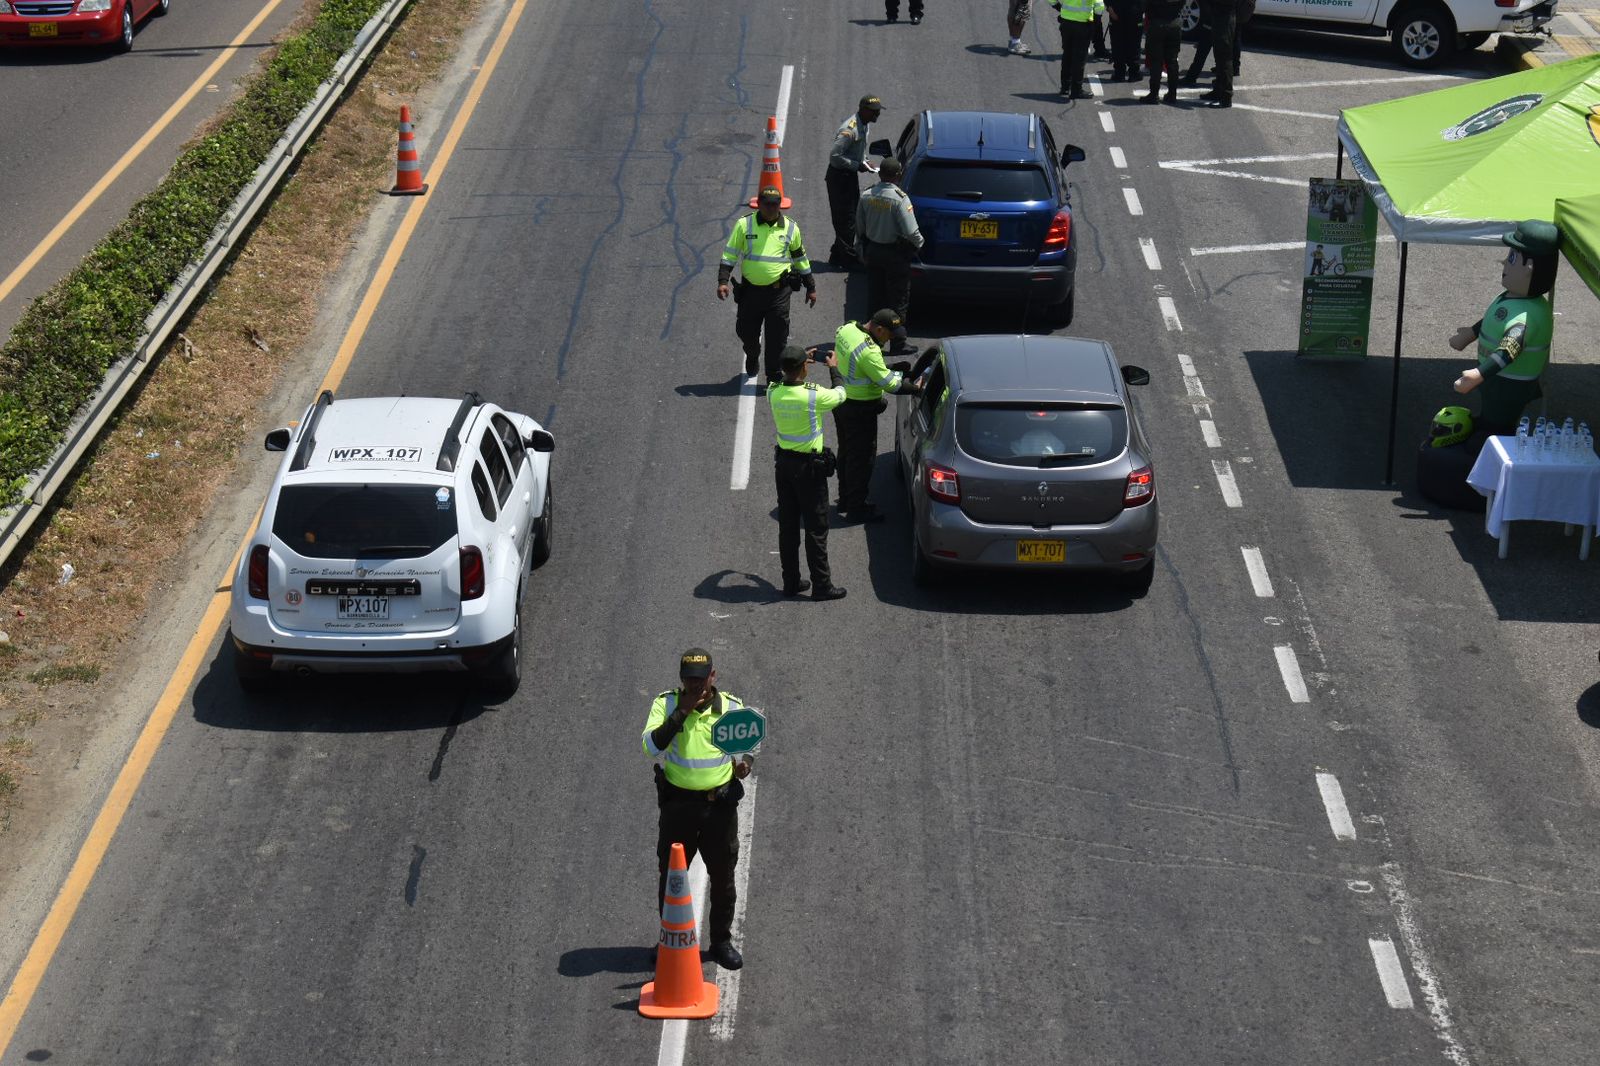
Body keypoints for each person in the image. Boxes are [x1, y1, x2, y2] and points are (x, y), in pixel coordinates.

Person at [643, 648, 754, 971]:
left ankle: (720, 941)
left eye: (701, 679)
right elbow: (651, 746)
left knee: (723, 878)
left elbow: (750, 748)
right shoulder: (665, 704)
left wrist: (744, 764)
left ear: (712, 676)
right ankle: (671, 939)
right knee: (672, 877)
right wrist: (681, 712)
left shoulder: (731, 707)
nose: (695, 686)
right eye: (689, 680)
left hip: (718, 809)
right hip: (678, 808)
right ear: (681, 679)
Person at [1450, 220, 1560, 436]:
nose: (1504, 264)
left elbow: (1509, 350)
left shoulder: (1528, 316)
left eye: (1512, 259)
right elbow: (1496, 320)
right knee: (1489, 416)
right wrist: (1470, 334)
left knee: (1497, 425)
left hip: (1509, 384)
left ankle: (1488, 446)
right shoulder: (1513, 299)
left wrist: (1478, 374)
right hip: (1498, 381)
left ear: (1529, 269)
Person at [768, 345, 849, 600]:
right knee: (816, 527)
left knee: (788, 526)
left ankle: (790, 582)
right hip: (808, 469)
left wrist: (797, 358)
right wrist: (834, 368)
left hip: (783, 466)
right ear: (805, 366)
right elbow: (841, 395)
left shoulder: (773, 392)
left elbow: (780, 377)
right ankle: (821, 585)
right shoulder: (814, 396)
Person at [828, 309, 922, 522]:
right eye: (889, 335)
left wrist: (891, 368)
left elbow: (861, 367)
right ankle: (857, 508)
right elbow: (891, 385)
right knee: (861, 460)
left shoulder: (847, 329)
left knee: (846, 453)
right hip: (859, 411)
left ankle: (845, 498)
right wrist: (916, 388)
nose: (890, 340)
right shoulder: (869, 351)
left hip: (841, 401)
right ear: (879, 329)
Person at [718, 185, 818, 385]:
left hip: (778, 294)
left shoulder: (791, 228)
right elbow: (730, 254)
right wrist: (723, 281)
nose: (772, 208)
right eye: (767, 204)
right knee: (747, 333)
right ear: (759, 205)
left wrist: (811, 287)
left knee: (777, 339)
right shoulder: (744, 225)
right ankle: (752, 354)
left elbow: (800, 258)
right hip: (750, 293)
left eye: (775, 204)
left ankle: (773, 376)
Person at [855, 157, 924, 350]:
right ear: (898, 175)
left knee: (875, 295)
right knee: (898, 298)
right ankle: (897, 341)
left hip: (873, 251)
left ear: (880, 174)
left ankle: (871, 340)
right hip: (895, 254)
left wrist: (862, 246)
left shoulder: (867, 195)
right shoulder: (900, 199)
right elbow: (911, 231)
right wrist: (919, 245)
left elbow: (859, 226)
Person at [826, 96, 884, 268]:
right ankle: (847, 259)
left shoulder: (864, 125)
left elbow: (857, 151)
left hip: (848, 176)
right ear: (864, 110)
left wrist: (865, 161)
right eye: (875, 111)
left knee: (851, 216)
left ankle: (837, 255)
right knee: (846, 219)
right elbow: (835, 157)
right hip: (839, 178)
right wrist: (857, 165)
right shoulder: (850, 130)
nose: (878, 114)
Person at [1052, 0, 1104, 99]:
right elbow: (1099, 5)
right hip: (1083, 23)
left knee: (1067, 54)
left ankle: (1065, 87)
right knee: (1079, 58)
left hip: (1066, 21)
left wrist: (1059, 7)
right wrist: (1096, 21)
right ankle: (1076, 90)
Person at [1191, 0, 1235, 106]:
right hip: (1220, 15)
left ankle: (1226, 96)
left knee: (1224, 57)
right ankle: (1218, 91)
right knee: (1219, 57)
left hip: (1225, 17)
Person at [1142, 0, 1184, 103]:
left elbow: (1144, 5)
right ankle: (1172, 94)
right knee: (1172, 61)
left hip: (1157, 24)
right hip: (1174, 23)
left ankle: (1154, 94)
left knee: (1156, 61)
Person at [1105, 0, 1144, 81]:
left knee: (1118, 45)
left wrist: (1110, 10)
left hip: (1118, 14)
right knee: (1133, 45)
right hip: (1133, 15)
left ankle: (1120, 73)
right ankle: (1133, 73)